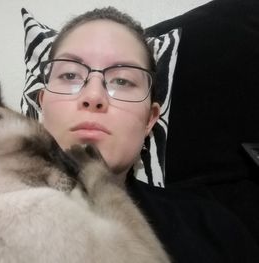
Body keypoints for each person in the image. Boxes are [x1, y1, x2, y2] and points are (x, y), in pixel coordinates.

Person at [36, 7, 259, 262]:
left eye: (122, 80)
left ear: (150, 120)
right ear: (43, 104)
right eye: (70, 75)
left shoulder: (216, 229)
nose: (93, 96)